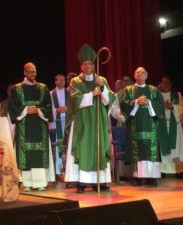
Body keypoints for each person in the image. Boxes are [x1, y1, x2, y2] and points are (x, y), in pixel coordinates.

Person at [64, 43, 114, 193]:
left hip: (98, 118)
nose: (87, 66)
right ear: (81, 66)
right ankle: (82, 181)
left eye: (90, 64)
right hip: (82, 120)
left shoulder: (102, 80)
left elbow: (109, 100)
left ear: (94, 65)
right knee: (83, 147)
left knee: (99, 145)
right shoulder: (75, 82)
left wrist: (103, 88)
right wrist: (92, 94)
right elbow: (75, 100)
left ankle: (102, 180)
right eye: (84, 64)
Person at [8, 62, 55, 192]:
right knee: (26, 153)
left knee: (39, 153)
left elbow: (48, 106)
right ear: (24, 73)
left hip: (39, 124)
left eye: (34, 71)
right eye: (29, 71)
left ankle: (40, 182)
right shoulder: (17, 89)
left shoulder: (43, 88)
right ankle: (27, 182)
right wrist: (25, 110)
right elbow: (12, 107)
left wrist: (38, 111)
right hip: (24, 125)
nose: (32, 74)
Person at [120, 67, 164, 186]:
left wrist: (149, 102)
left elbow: (160, 105)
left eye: (143, 72)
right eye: (138, 72)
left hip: (151, 124)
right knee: (137, 148)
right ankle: (137, 177)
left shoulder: (154, 90)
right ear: (134, 75)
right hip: (135, 124)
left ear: (147, 75)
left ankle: (152, 177)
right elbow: (123, 104)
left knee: (150, 148)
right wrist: (135, 102)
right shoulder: (128, 90)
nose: (140, 73)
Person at [159, 75, 183, 177]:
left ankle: (179, 171)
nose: (166, 85)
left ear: (171, 84)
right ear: (161, 83)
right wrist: (160, 106)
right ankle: (163, 171)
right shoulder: (156, 95)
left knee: (177, 148)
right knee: (162, 148)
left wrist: (172, 106)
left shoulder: (177, 95)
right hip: (161, 125)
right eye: (164, 83)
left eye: (168, 83)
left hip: (175, 126)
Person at [49, 74, 68, 179]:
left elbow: (74, 107)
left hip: (67, 122)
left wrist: (66, 108)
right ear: (55, 82)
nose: (62, 81)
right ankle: (58, 171)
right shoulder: (51, 94)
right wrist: (56, 110)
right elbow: (48, 109)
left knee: (67, 145)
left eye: (63, 80)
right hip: (57, 122)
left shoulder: (69, 93)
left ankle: (67, 170)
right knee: (58, 146)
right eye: (59, 80)